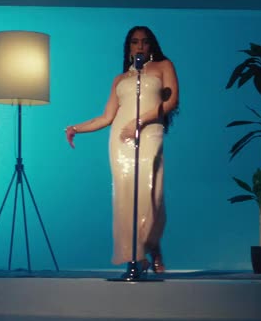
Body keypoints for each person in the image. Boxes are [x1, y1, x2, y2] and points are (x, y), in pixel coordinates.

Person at [64, 26, 179, 273]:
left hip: (149, 132)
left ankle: (152, 245)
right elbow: (106, 117)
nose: (140, 46)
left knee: (151, 193)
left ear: (151, 45)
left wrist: (140, 121)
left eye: (145, 41)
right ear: (129, 47)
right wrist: (75, 128)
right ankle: (137, 257)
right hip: (121, 140)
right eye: (135, 42)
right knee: (126, 196)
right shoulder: (120, 79)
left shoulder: (163, 66)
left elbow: (171, 101)